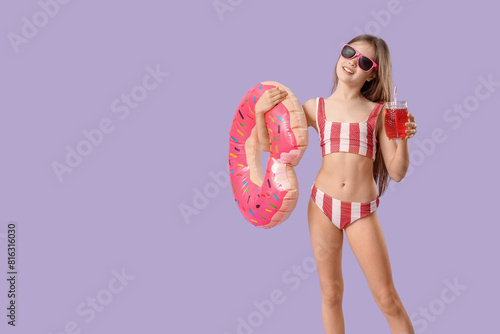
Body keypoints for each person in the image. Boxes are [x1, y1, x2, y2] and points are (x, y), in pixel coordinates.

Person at [255, 34, 417, 333]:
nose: (352, 62)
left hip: (361, 212)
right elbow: (272, 149)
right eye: (349, 52)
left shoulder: (379, 114)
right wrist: (259, 111)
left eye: (364, 61)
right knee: (331, 293)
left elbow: (396, 172)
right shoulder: (314, 107)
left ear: (372, 74)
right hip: (321, 206)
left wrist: (403, 140)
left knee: (387, 299)